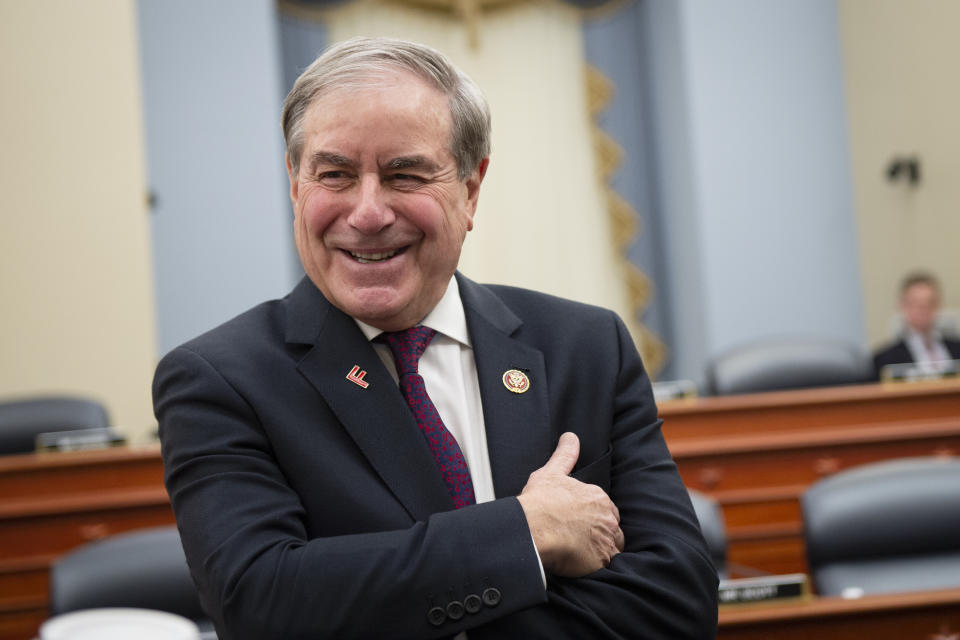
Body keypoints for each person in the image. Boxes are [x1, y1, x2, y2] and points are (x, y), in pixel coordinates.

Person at [153, 37, 717, 639]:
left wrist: (422, 604)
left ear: (471, 189)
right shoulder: (219, 380)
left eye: (405, 174)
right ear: (296, 185)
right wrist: (526, 535)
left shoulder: (586, 347)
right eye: (334, 174)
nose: (367, 212)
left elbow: (680, 602)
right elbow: (264, 606)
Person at [873, 272, 960, 379]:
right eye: (916, 304)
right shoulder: (886, 359)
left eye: (930, 303)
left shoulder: (957, 348)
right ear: (903, 306)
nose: (923, 309)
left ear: (938, 306)